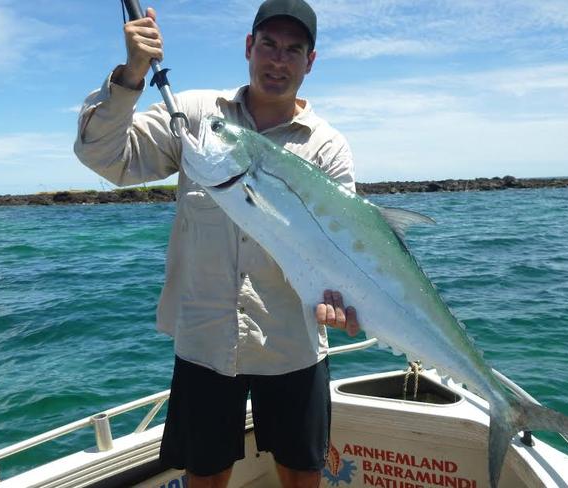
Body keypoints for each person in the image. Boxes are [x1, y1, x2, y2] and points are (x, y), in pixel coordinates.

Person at [74, 0, 359, 486]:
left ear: (310, 62)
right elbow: (107, 157)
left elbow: (345, 249)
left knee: (301, 472)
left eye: (294, 49)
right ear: (249, 47)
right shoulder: (195, 115)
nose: (278, 59)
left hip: (292, 343)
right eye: (268, 44)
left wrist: (344, 301)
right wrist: (131, 75)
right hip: (205, 342)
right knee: (203, 475)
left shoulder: (326, 147)